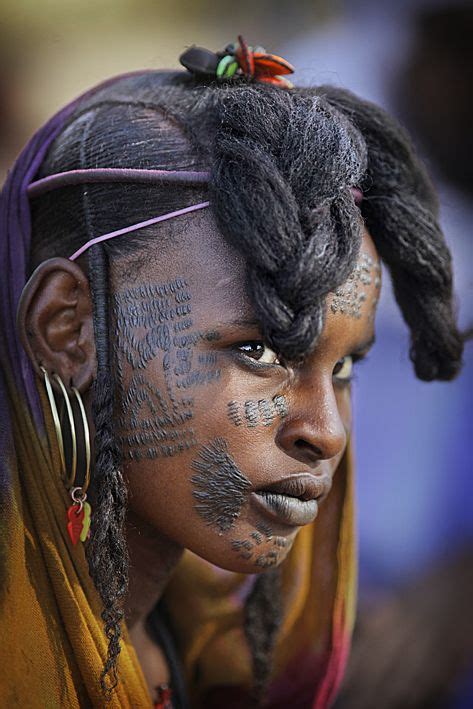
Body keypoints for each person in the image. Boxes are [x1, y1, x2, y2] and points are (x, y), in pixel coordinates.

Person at [0, 38, 464, 709]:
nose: (325, 432)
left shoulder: (206, 652)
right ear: (66, 328)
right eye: (260, 351)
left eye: (345, 366)